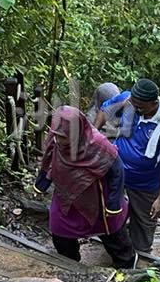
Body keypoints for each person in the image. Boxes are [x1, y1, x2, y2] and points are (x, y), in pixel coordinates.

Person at [33, 105, 137, 269]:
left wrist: (113, 203)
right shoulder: (55, 140)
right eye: (57, 135)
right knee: (60, 231)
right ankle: (70, 262)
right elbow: (48, 160)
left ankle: (126, 263)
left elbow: (117, 171)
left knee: (112, 234)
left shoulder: (99, 144)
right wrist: (42, 184)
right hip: (66, 195)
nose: (59, 140)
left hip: (96, 197)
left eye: (64, 137)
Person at [94, 78, 160, 254]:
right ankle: (116, 248)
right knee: (109, 211)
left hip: (145, 183)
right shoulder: (129, 100)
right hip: (117, 172)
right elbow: (105, 109)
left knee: (143, 223)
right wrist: (93, 133)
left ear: (154, 103)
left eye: (140, 106)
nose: (135, 107)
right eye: (133, 103)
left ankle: (140, 256)